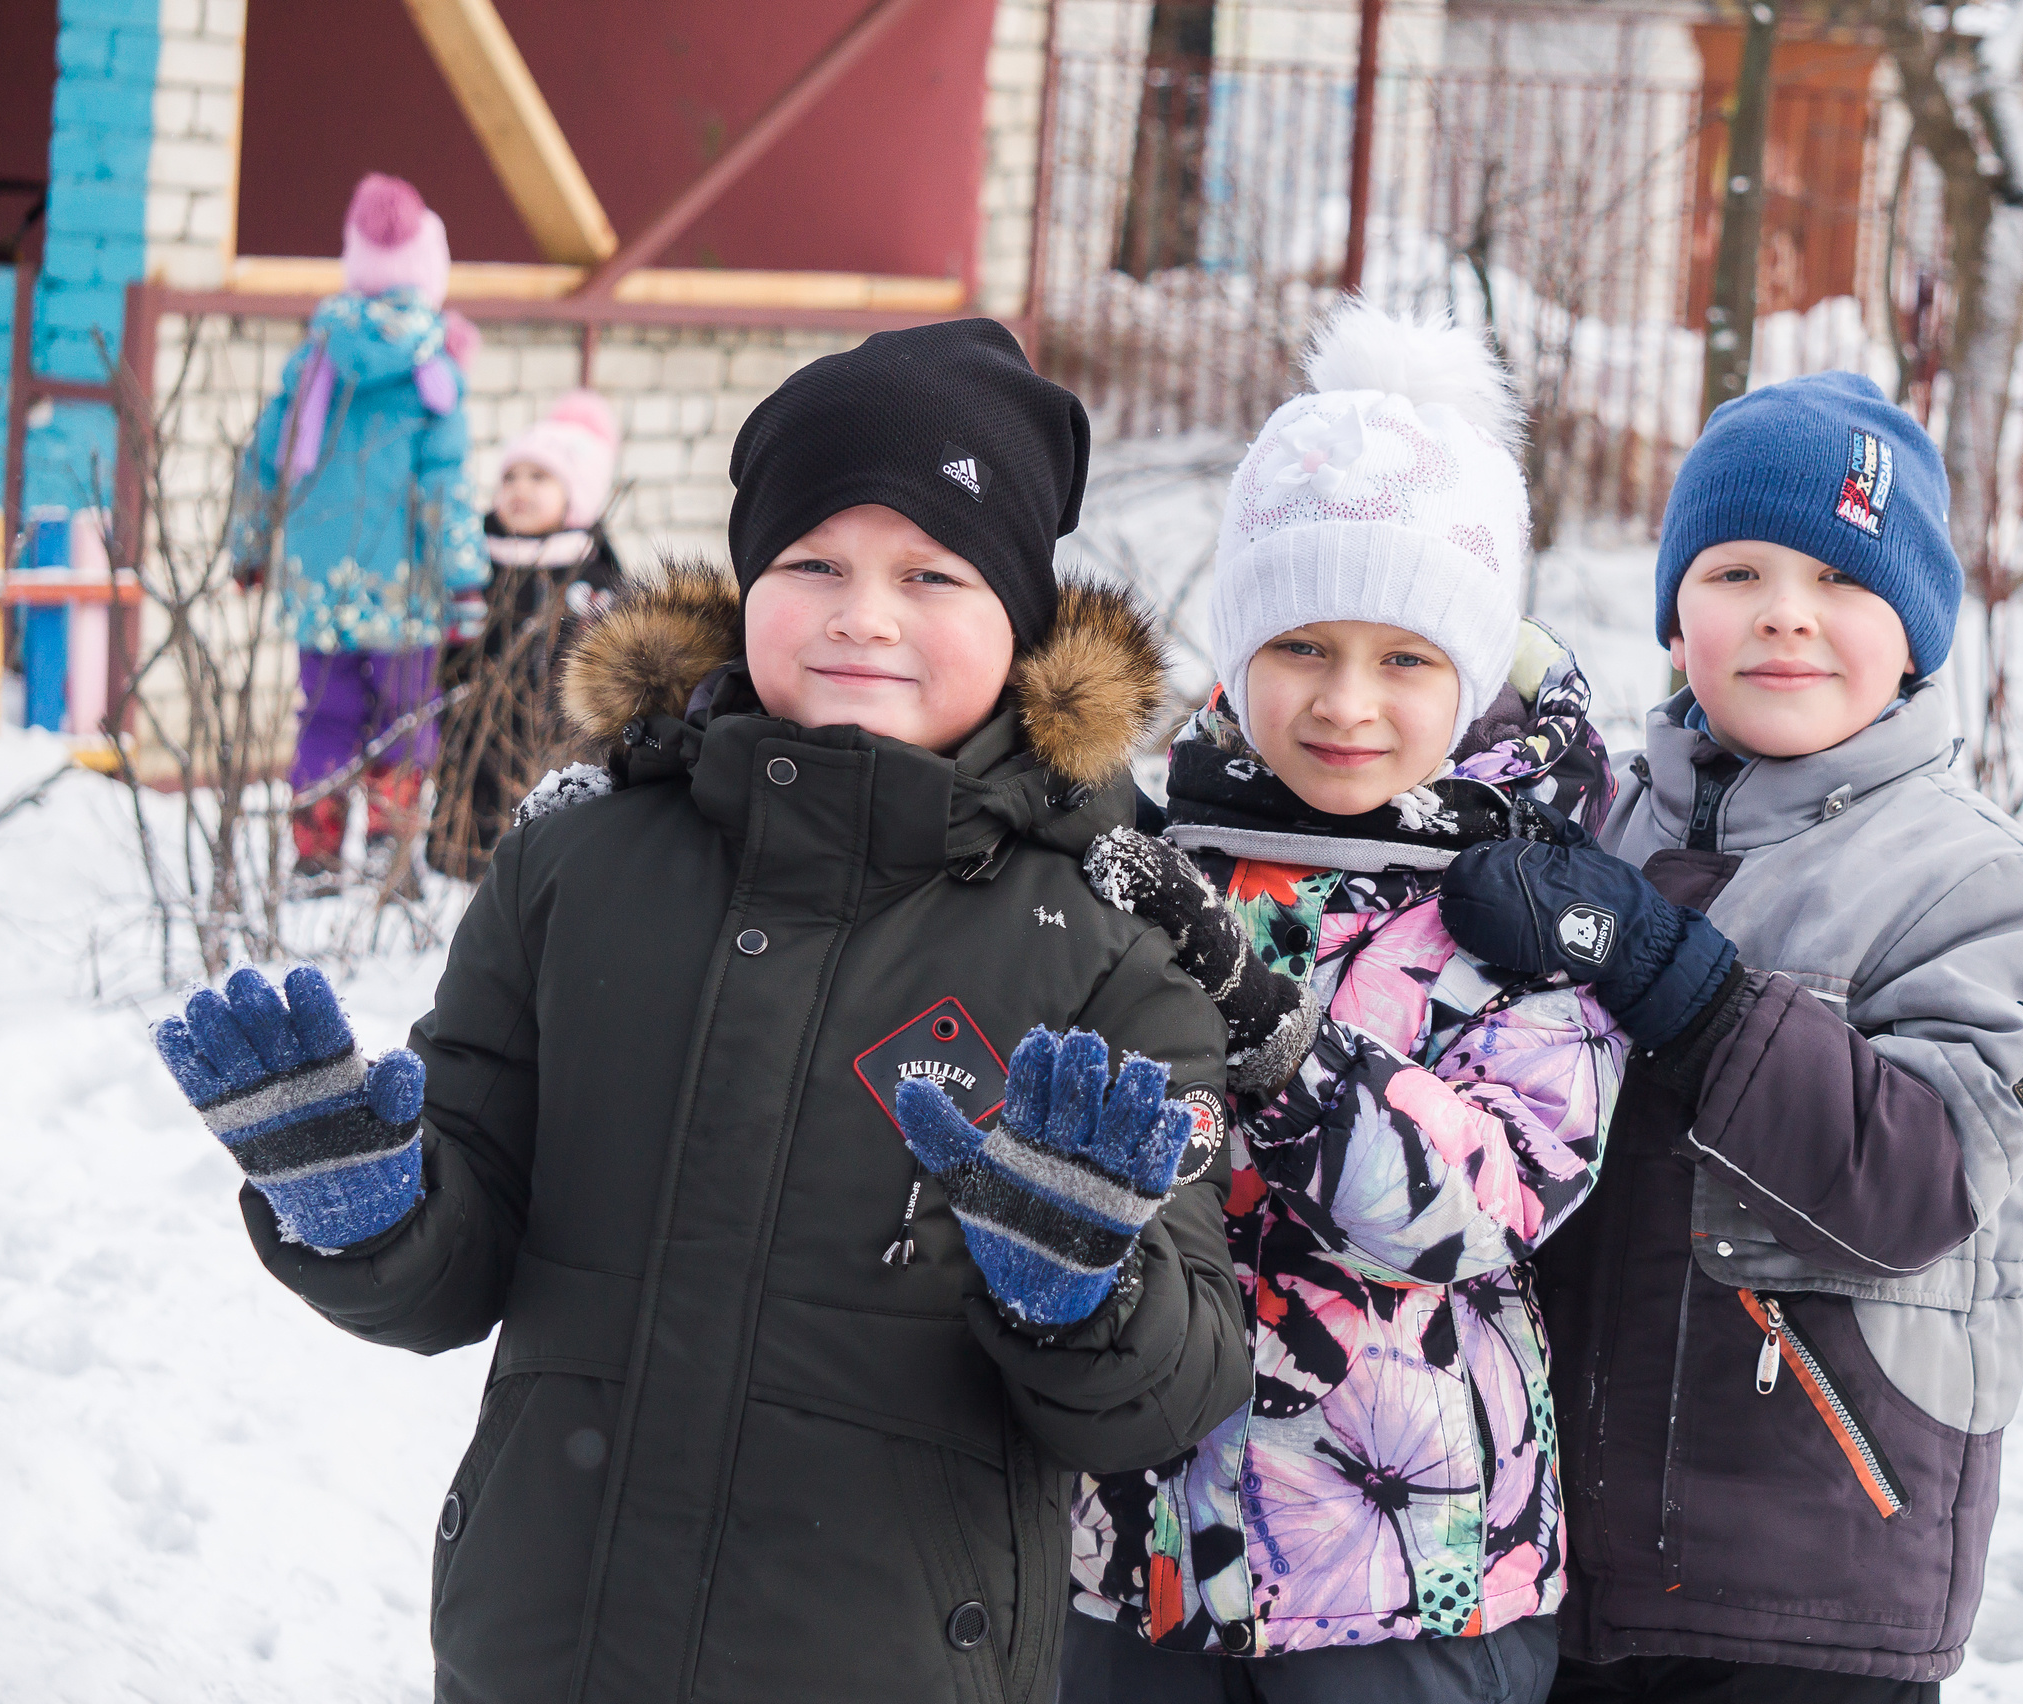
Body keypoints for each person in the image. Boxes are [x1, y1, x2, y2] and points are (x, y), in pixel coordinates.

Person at [148, 319, 1254, 1702]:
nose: (865, 612)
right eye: (813, 564)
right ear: (743, 588)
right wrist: (371, 1208)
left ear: (1025, 625)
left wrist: (1078, 1293)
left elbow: (1181, 1381)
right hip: (545, 1650)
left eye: (931, 572)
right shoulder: (580, 863)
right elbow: (462, 1251)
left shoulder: (1105, 942)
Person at [1439, 372, 2023, 1700]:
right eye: (1735, 569)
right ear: (1678, 623)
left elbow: (1920, 1179)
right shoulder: (1605, 828)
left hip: (1811, 1588)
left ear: (1915, 635)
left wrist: (1676, 977)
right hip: (1547, 1558)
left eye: (1843, 582)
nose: (1787, 610)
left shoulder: (1979, 887)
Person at [1065, 304, 1626, 1704]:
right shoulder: (1152, 855)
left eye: (1407, 659)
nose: (1347, 704)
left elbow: (1476, 1206)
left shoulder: (1535, 901)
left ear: (1476, 665)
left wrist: (1275, 1033)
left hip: (1410, 1579)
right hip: (1134, 1558)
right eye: (1303, 646)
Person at [242, 172, 486, 891]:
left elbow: (264, 459)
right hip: (403, 587)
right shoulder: (432, 375)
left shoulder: (316, 356)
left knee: (323, 715)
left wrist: (250, 548)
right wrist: (463, 578)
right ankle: (389, 844)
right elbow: (446, 484)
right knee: (406, 714)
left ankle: (314, 853)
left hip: (318, 583)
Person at [430, 388, 627, 880]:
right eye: (510, 476)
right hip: (480, 723)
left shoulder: (592, 568)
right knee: (474, 821)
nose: (520, 488)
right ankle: (460, 874)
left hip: (559, 734)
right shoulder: (477, 560)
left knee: (553, 836)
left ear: (575, 495)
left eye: (540, 477)